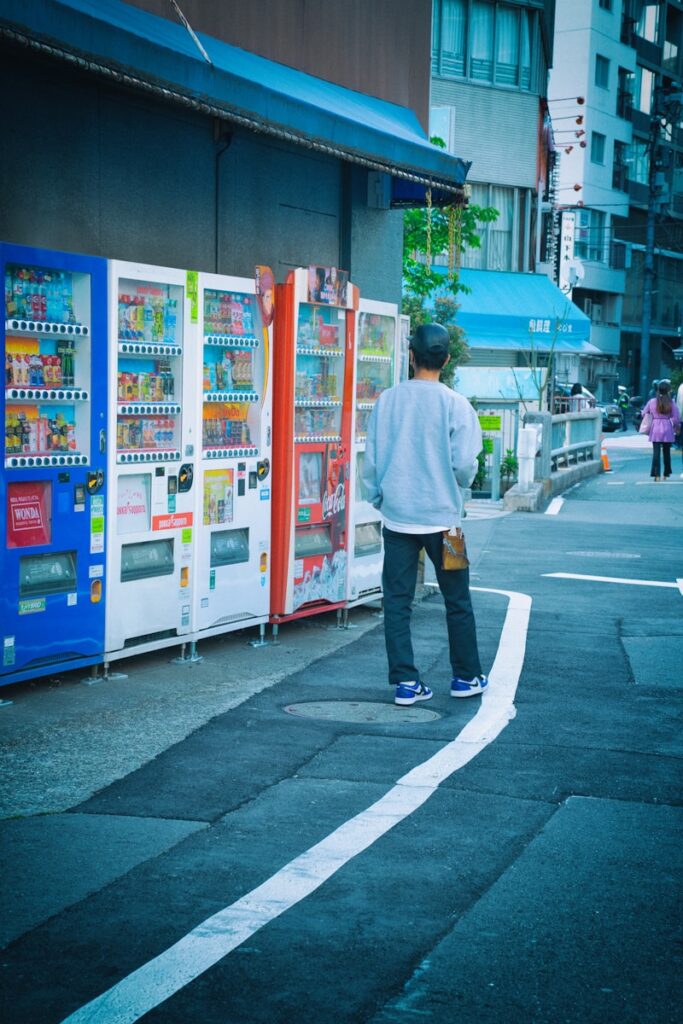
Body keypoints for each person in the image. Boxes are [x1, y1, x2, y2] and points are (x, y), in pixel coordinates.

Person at [361, 322, 488, 706]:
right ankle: (466, 677)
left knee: (397, 601)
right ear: (446, 360)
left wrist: (380, 498)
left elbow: (372, 461)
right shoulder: (457, 405)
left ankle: (405, 682)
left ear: (411, 356)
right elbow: (466, 464)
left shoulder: (387, 401)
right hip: (447, 523)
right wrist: (458, 487)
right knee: (458, 600)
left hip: (398, 519)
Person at [641, 380, 680, 481]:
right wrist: (677, 427)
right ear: (668, 391)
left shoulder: (652, 401)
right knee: (667, 452)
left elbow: (644, 413)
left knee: (656, 453)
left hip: (655, 427)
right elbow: (676, 418)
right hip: (667, 427)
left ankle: (656, 475)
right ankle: (666, 474)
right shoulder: (671, 402)